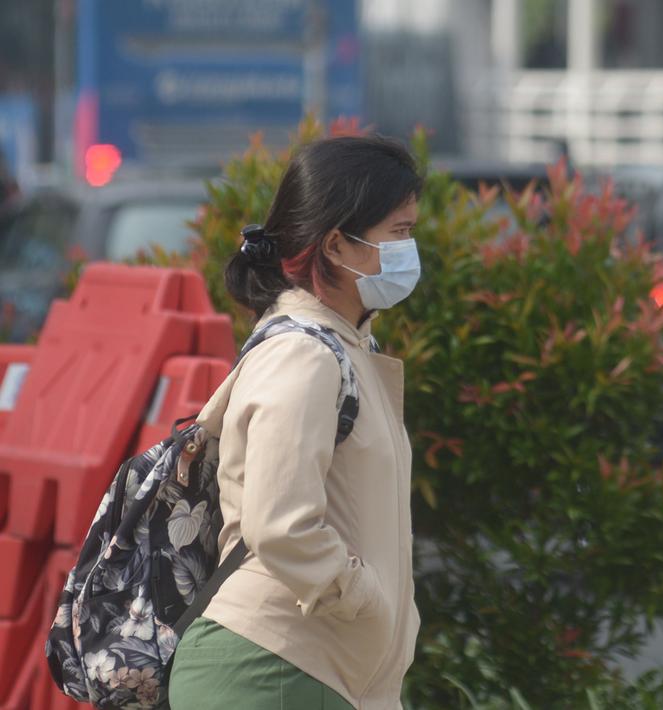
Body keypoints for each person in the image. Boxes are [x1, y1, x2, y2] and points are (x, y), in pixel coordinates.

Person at [168, 135, 423, 710]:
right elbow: (280, 523)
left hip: (306, 668)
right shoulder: (304, 356)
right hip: (273, 669)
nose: (411, 250)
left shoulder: (342, 346)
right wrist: (361, 596)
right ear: (336, 245)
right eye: (400, 232)